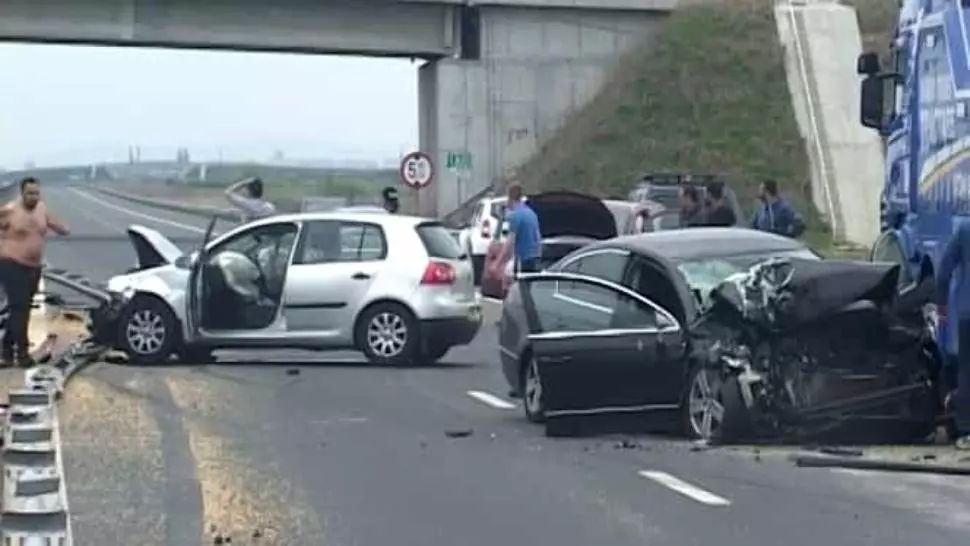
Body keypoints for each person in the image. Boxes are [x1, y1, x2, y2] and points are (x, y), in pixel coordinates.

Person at [0, 177, 69, 366]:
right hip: (11, 264)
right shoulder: (10, 211)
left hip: (33, 268)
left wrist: (63, 228)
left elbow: (56, 225)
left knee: (21, 310)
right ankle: (22, 355)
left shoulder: (41, 209)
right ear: (22, 194)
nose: (33, 197)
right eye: (30, 193)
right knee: (19, 308)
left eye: (36, 193)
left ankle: (6, 353)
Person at [936, 222, 970, 450]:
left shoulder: (964, 230)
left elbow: (944, 271)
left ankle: (967, 430)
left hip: (968, 312)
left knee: (966, 371)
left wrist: (942, 307)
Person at [501, 184, 541, 274]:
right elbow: (538, 237)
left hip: (523, 258)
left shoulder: (515, 215)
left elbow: (510, 241)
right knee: (530, 285)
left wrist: (500, 260)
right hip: (535, 257)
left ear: (510, 198)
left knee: (522, 285)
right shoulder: (532, 213)